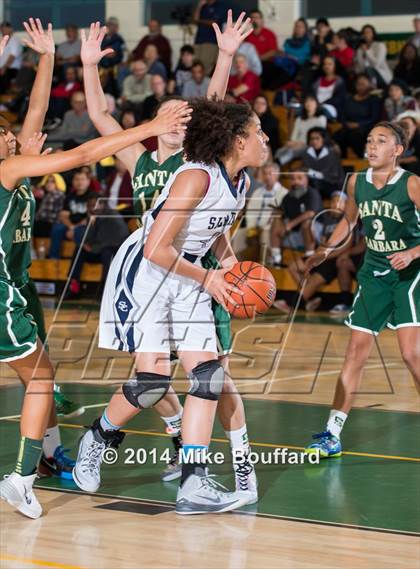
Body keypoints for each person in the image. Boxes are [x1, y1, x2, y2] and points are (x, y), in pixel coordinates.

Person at [0, 24, 191, 519]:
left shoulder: (15, 160)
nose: (14, 135)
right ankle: (21, 476)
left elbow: (37, 114)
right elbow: (84, 153)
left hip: (16, 287)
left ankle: (40, 461)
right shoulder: (7, 170)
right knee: (41, 380)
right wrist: (149, 127)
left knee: (42, 379)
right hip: (1, 290)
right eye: (4, 135)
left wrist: (46, 58)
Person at [79, 14, 260, 499]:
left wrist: (223, 57)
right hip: (146, 264)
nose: (183, 120)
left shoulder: (197, 163)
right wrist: (89, 66)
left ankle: (193, 477)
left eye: (188, 116)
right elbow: (100, 119)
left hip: (188, 266)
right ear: (160, 123)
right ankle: (100, 438)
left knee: (204, 372)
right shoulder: (139, 158)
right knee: (152, 380)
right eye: (174, 114)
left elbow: (220, 110)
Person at [304, 121, 420, 458]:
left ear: (397, 150)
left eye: (381, 141)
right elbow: (349, 221)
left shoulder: (412, 184)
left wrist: (412, 252)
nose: (371, 146)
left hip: (410, 275)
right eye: (369, 140)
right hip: (374, 273)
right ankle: (332, 433)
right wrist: (326, 249)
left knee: (411, 355)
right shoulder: (356, 181)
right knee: (355, 351)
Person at [274, 193, 348, 313]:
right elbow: (322, 242)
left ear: (346, 206)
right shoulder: (326, 220)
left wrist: (326, 255)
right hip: (321, 256)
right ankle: (309, 299)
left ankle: (292, 304)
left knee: (315, 279)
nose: (335, 205)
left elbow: (346, 247)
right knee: (294, 266)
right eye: (333, 202)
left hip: (334, 259)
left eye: (339, 202)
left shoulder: (347, 222)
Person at [66, 195, 130, 297]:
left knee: (108, 253)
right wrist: (91, 224)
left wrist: (93, 248)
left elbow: (116, 240)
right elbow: (88, 239)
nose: (91, 208)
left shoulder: (112, 216)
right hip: (98, 250)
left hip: (113, 251)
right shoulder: (94, 216)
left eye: (94, 205)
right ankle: (73, 286)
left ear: (102, 204)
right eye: (89, 206)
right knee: (80, 250)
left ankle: (105, 289)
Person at [270, 170, 323, 266]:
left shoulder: (312, 193)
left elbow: (310, 213)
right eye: (292, 179)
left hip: (315, 233)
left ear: (306, 180)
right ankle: (276, 259)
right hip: (294, 233)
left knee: (306, 223)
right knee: (276, 221)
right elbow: (281, 213)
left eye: (299, 178)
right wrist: (277, 213)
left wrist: (289, 225)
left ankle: (309, 258)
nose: (296, 182)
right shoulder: (287, 197)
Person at [245, 162, 287, 263]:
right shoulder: (258, 192)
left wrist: (262, 228)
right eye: (265, 173)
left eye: (270, 173)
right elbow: (250, 212)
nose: (267, 177)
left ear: (277, 175)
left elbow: (279, 216)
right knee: (236, 238)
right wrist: (251, 229)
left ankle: (266, 267)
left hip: (269, 229)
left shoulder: (284, 193)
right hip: (254, 228)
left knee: (265, 237)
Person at [333, 73, 381, 158]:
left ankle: (363, 158)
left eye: (363, 84)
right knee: (337, 136)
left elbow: (374, 118)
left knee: (354, 136)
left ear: (369, 85)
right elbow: (342, 115)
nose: (361, 87)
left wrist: (359, 124)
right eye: (359, 84)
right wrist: (346, 123)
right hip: (349, 127)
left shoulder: (373, 99)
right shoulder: (349, 99)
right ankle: (342, 160)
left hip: (366, 127)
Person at [275, 94, 326, 166]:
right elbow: (294, 135)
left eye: (311, 101)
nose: (309, 103)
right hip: (296, 143)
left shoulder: (321, 118)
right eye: (306, 101)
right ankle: (274, 168)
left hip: (310, 145)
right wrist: (292, 143)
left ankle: (277, 164)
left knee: (291, 152)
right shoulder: (299, 119)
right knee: (279, 151)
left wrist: (302, 143)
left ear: (316, 103)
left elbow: (319, 137)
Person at [302, 127, 345, 198]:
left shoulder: (332, 153)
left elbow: (333, 175)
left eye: (317, 138)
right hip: (315, 186)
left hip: (333, 185)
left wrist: (311, 172)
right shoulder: (306, 153)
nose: (314, 141)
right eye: (312, 139)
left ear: (323, 139)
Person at [193, 0, 226, 74]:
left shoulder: (219, 5)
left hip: (211, 41)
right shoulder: (203, 6)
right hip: (198, 40)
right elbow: (195, 20)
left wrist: (199, 21)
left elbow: (214, 23)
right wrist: (199, 6)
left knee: (205, 68)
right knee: (195, 66)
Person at [312, 55, 346, 120]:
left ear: (335, 66)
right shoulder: (317, 81)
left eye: (330, 64)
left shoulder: (340, 81)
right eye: (325, 64)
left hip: (331, 108)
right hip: (315, 106)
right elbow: (312, 95)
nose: (327, 66)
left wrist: (321, 104)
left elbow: (339, 99)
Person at [0, 22, 23, 92]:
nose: (2, 30)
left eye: (5, 28)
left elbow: (12, 57)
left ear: (10, 29)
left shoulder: (15, 41)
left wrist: (4, 67)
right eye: (1, 29)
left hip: (12, 69)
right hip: (2, 68)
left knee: (3, 77)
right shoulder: (2, 40)